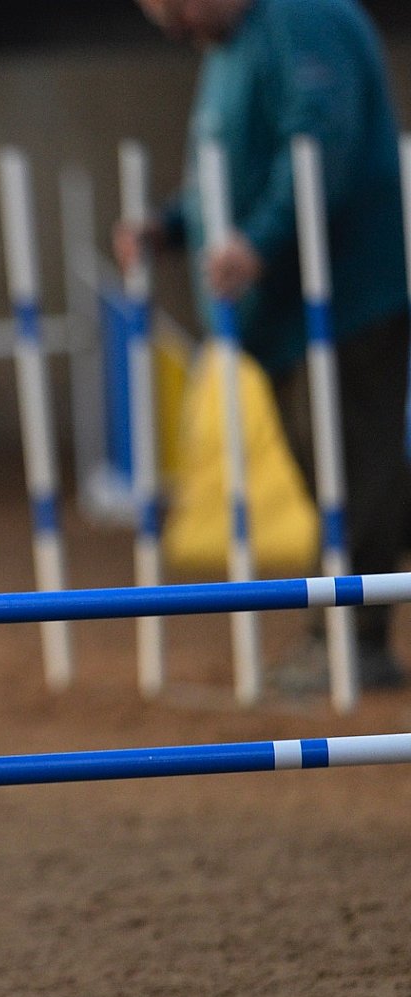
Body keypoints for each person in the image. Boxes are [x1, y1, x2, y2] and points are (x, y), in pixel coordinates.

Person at [117, 0, 411, 691]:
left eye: (175, 7)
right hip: (285, 318)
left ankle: (351, 643)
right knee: (347, 479)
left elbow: (319, 148)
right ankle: (342, 635)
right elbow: (224, 172)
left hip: (345, 303)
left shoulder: (303, 20)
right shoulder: (234, 42)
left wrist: (258, 241)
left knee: (352, 479)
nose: (173, 27)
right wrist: (171, 225)